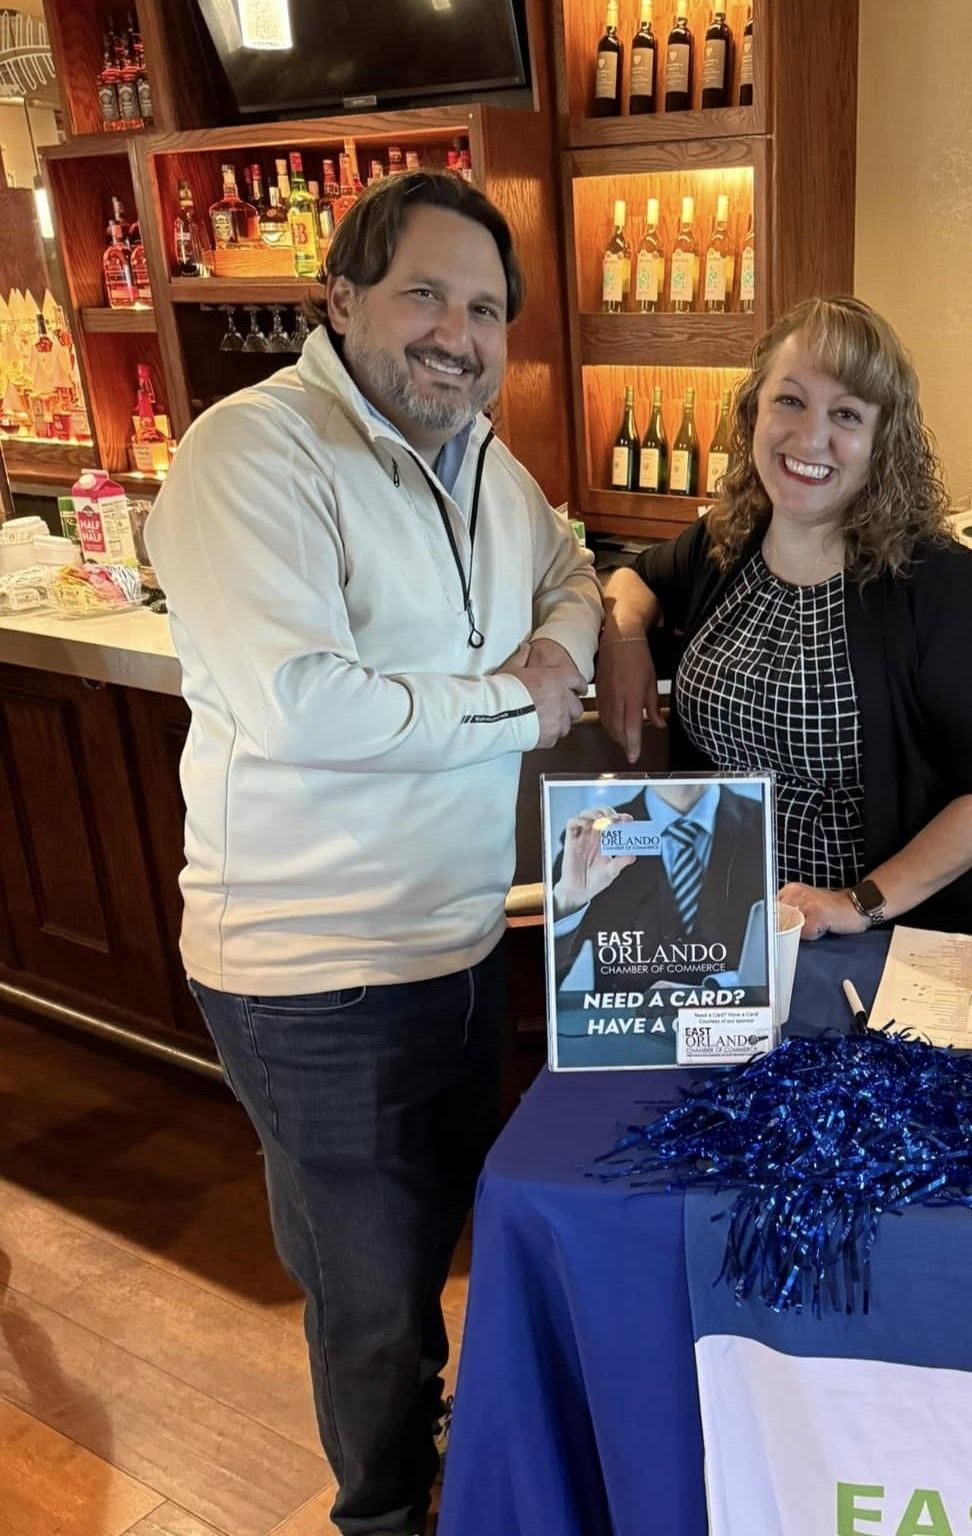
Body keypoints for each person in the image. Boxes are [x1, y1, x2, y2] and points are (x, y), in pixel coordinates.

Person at [146, 171, 600, 1536]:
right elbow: (305, 706)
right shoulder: (252, 454)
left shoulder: (488, 467)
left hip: (454, 943)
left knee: (426, 1258)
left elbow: (572, 571)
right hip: (313, 973)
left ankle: (425, 1445)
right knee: (370, 1295)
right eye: (424, 294)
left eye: (483, 307)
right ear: (340, 301)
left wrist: (568, 647)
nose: (456, 333)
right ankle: (385, 1516)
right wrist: (522, 701)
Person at [597, 295, 972, 942]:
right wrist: (624, 637)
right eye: (789, 401)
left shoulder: (938, 584)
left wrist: (857, 903)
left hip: (903, 938)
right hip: (737, 932)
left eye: (846, 414)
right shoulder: (729, 540)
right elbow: (636, 578)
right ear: (753, 411)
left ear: (882, 442)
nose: (810, 437)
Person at [547, 780, 772, 1066]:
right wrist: (568, 898)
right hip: (627, 1052)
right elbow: (543, 988)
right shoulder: (595, 839)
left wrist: (717, 990)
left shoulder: (766, 823)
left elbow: (786, 964)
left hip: (743, 1049)